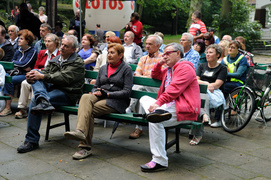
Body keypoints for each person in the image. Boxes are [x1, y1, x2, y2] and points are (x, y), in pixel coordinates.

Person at [17, 35, 85, 153]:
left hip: (68, 94)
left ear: (73, 50)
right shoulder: (56, 59)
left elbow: (64, 78)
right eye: (62, 44)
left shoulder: (77, 62)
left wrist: (42, 76)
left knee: (35, 99)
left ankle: (31, 141)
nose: (62, 47)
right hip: (52, 90)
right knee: (36, 72)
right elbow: (46, 72)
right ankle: (43, 100)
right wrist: (32, 77)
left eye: (66, 46)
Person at [64, 43, 133, 160]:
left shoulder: (126, 69)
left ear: (120, 55)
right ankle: (80, 131)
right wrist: (96, 91)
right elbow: (95, 86)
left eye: (112, 53)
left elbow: (127, 92)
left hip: (116, 101)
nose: (109, 55)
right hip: (100, 96)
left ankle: (84, 147)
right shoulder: (103, 68)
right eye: (108, 52)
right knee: (86, 96)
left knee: (88, 112)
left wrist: (108, 94)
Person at [139, 43, 201, 172]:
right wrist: (159, 63)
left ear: (178, 53)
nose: (165, 56)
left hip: (184, 108)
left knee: (155, 121)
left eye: (167, 53)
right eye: (163, 54)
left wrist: (158, 103)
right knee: (144, 98)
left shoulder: (185, 68)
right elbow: (155, 75)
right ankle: (158, 113)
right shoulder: (169, 70)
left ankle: (159, 161)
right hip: (169, 107)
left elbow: (174, 89)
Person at [15, 33, 60, 119]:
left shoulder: (59, 54)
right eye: (45, 41)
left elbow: (56, 71)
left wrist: (40, 72)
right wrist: (34, 72)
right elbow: (35, 66)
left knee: (34, 83)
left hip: (49, 78)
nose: (46, 43)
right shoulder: (42, 53)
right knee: (25, 83)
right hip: (37, 74)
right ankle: (22, 109)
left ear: (55, 43)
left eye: (49, 41)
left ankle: (34, 110)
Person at [126, 35, 163, 139]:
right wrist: (147, 77)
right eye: (146, 43)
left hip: (157, 90)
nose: (147, 46)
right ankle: (139, 128)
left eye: (150, 44)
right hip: (142, 88)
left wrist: (146, 77)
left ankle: (129, 108)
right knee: (141, 91)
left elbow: (158, 76)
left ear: (158, 45)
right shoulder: (143, 58)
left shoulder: (163, 58)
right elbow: (137, 74)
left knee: (141, 85)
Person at [0, 29, 37, 116]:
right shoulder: (18, 51)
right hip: (17, 73)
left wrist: (20, 65)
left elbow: (26, 63)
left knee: (10, 80)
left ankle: (8, 107)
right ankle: (5, 104)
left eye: (21, 39)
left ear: (27, 41)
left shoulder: (32, 51)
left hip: (26, 75)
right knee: (6, 77)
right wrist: (22, 66)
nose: (19, 40)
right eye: (19, 38)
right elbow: (13, 63)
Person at [196, 44, 227, 127]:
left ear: (217, 55)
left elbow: (217, 85)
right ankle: (205, 116)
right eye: (207, 52)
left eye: (211, 52)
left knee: (202, 95)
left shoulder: (222, 68)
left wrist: (208, 86)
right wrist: (207, 84)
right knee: (201, 94)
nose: (208, 54)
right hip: (202, 89)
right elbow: (195, 80)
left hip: (215, 92)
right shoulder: (202, 66)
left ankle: (204, 116)